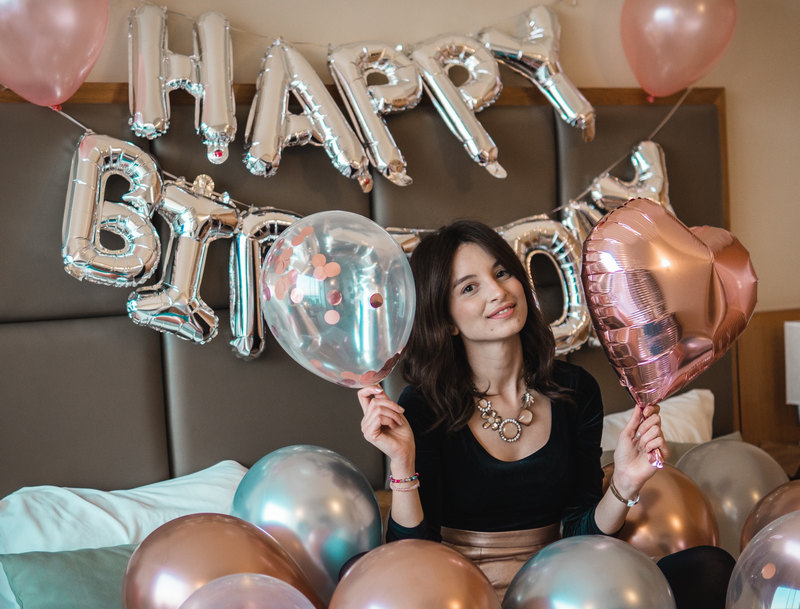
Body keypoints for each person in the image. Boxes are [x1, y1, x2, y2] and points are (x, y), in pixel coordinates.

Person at [357, 220, 734, 607]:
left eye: (502, 272)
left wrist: (623, 484)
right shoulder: (424, 405)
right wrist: (402, 464)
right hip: (467, 593)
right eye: (470, 287)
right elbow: (409, 558)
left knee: (710, 567)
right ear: (447, 319)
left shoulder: (575, 389)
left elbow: (581, 533)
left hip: (560, 586)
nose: (499, 291)